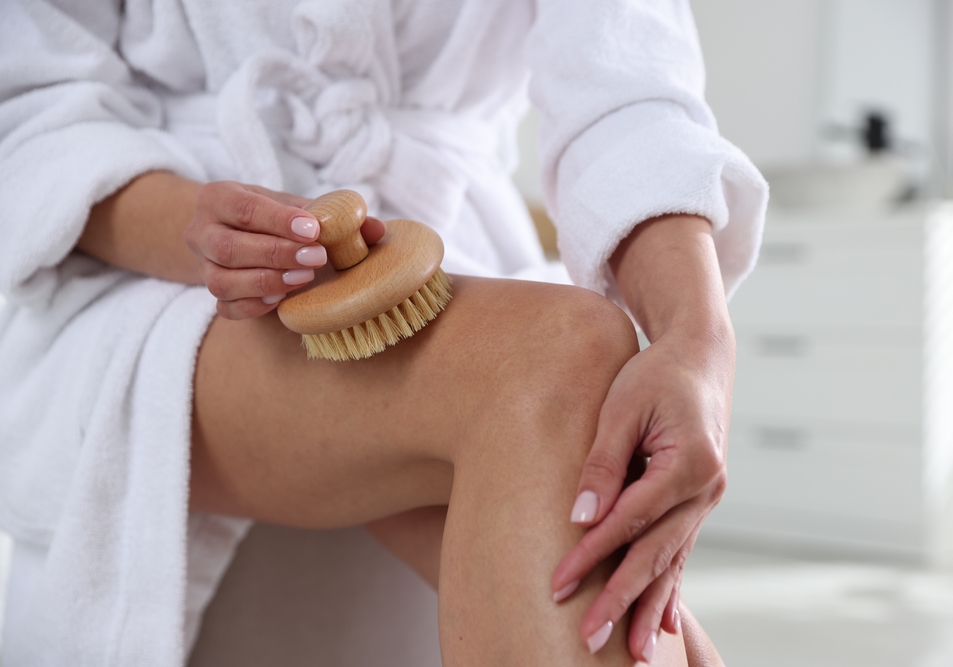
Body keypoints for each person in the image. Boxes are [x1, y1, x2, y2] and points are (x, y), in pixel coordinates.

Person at [0, 0, 767, 665]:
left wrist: (697, 337)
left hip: (449, 236)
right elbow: (29, 102)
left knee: (574, 368)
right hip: (158, 274)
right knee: (557, 357)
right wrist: (210, 232)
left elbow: (629, 91)